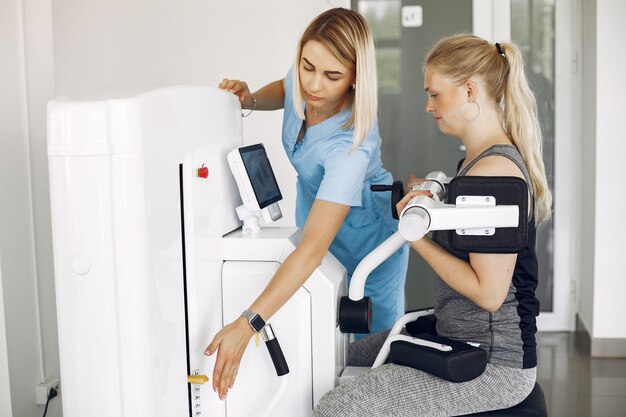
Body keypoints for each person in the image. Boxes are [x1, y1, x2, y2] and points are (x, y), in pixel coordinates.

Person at [314, 34, 552, 416]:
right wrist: (425, 195)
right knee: (330, 356)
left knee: (340, 406)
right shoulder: (477, 164)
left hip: (492, 365)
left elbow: (489, 294)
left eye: (435, 94)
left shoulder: (493, 175)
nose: (428, 106)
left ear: (470, 90)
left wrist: (416, 235)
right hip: (456, 335)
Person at [204, 7, 409, 400]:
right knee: (318, 336)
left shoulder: (350, 147)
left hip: (369, 240)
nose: (314, 85)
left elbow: (313, 250)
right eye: (307, 66)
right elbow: (285, 88)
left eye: (332, 76)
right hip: (315, 211)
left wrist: (247, 325)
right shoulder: (305, 81)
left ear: (355, 80)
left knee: (369, 359)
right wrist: (250, 99)